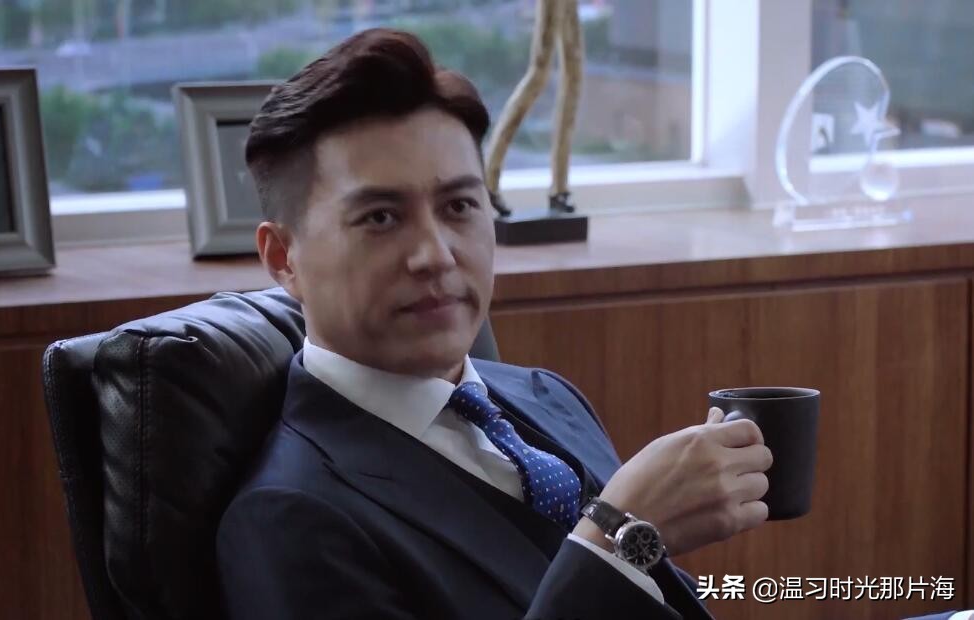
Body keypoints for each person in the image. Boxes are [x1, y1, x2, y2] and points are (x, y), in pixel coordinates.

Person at [215, 28, 962, 620]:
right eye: (381, 217)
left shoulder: (545, 397)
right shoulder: (289, 521)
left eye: (460, 206)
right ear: (284, 258)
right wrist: (620, 536)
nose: (436, 254)